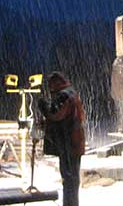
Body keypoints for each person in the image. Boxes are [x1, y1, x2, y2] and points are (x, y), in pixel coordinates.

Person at [38, 72, 85, 206]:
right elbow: (64, 118)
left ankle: (70, 204)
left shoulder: (64, 96)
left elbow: (55, 114)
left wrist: (43, 106)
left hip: (69, 143)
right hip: (73, 142)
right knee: (71, 179)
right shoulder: (70, 93)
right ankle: (70, 203)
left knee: (69, 179)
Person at [110, 57, 123, 133]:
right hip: (120, 93)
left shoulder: (120, 65)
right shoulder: (119, 66)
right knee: (121, 111)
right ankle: (121, 128)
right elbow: (122, 80)